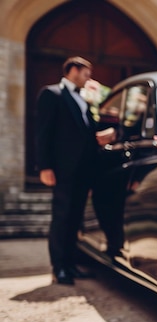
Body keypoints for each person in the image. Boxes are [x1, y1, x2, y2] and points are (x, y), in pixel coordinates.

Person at [35, 56, 114, 285]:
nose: (89, 78)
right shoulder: (52, 94)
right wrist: (45, 166)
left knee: (75, 219)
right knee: (61, 218)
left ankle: (70, 265)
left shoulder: (85, 99)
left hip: (84, 172)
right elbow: (43, 133)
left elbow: (87, 132)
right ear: (72, 70)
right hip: (62, 170)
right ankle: (58, 267)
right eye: (86, 73)